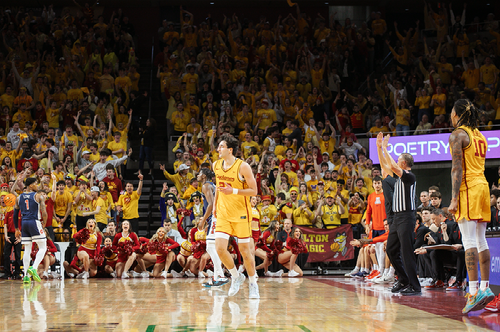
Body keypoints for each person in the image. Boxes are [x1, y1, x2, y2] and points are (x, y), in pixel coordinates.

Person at [448, 99, 494, 313]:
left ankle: (473, 291)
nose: (450, 116)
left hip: (469, 188)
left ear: (457, 115)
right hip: (483, 187)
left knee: (468, 241)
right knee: (481, 239)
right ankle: (486, 287)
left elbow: (457, 169)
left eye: (451, 112)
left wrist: (454, 198)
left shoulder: (458, 134)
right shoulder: (479, 135)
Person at [213, 133, 259, 298]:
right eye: (219, 146)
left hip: (241, 214)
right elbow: (218, 186)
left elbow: (254, 191)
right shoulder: (216, 165)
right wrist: (214, 207)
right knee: (219, 249)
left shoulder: (243, 166)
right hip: (223, 213)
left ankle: (253, 282)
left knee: (245, 252)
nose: (218, 148)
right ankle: (236, 276)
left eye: (222, 146)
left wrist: (233, 190)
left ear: (230, 150)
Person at [377, 132, 420, 295]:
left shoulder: (410, 176)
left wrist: (385, 147)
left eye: (397, 159)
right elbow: (385, 165)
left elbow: (393, 166)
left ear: (403, 162)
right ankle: (403, 279)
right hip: (397, 219)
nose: (394, 161)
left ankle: (415, 286)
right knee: (391, 250)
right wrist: (379, 149)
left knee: (406, 252)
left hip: (407, 217)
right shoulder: (399, 176)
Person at [14, 177, 48, 284]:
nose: (37, 185)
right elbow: (44, 212)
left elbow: (15, 214)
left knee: (27, 249)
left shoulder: (19, 197)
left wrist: (16, 228)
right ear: (30, 185)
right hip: (34, 221)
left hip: (24, 223)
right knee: (43, 246)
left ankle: (26, 276)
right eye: (35, 184)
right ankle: (34, 267)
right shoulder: (38, 196)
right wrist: (44, 223)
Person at [198, 167, 228, 287]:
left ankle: (220, 275)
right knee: (214, 248)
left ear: (204, 176)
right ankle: (216, 277)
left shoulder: (205, 185)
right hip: (219, 216)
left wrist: (203, 220)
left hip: (215, 217)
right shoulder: (212, 185)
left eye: (199, 174)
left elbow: (210, 204)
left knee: (210, 247)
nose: (197, 176)